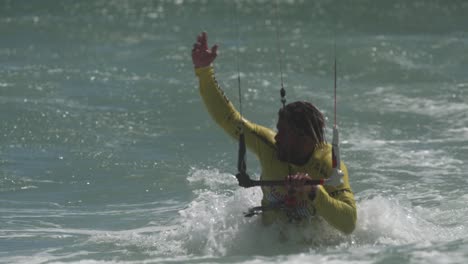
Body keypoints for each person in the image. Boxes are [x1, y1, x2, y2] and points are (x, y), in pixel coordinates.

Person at [191, 32, 356, 234]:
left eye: (283, 132)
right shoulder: (268, 145)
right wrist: (204, 71)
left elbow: (349, 223)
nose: (276, 137)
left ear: (303, 138)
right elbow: (228, 119)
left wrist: (313, 192)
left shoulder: (328, 164)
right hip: (267, 249)